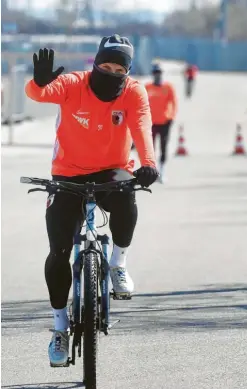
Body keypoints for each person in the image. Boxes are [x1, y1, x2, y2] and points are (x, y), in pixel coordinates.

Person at [24, 34, 159, 367]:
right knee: (58, 252)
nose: (111, 72)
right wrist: (38, 82)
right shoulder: (73, 84)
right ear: (95, 62)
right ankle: (59, 327)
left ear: (127, 71)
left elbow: (142, 125)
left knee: (128, 201)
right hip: (68, 174)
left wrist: (149, 163)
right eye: (105, 65)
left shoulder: (133, 91)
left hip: (113, 172)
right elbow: (40, 94)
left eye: (119, 68)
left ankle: (118, 263)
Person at [145, 63, 177, 183]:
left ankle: (162, 171)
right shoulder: (147, 87)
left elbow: (174, 103)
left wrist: (171, 117)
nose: (157, 75)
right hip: (151, 123)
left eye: (159, 73)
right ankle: (153, 171)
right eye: (155, 73)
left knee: (163, 146)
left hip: (164, 122)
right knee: (151, 148)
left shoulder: (168, 87)